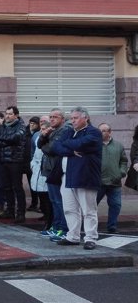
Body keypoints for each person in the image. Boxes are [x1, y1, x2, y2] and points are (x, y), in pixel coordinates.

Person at [52, 106, 102, 250]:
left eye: (75, 118)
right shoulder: (69, 131)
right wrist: (72, 151)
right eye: (71, 118)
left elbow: (80, 144)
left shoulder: (94, 132)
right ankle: (73, 236)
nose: (72, 121)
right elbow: (56, 146)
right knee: (69, 208)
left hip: (85, 175)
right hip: (68, 176)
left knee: (88, 210)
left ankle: (90, 238)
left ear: (85, 118)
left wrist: (67, 144)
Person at [38, 108, 70, 241]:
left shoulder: (63, 131)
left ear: (62, 119)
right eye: (50, 117)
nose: (51, 119)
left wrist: (45, 144)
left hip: (56, 170)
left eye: (55, 117)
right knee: (53, 201)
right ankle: (55, 226)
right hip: (49, 169)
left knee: (59, 201)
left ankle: (62, 228)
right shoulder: (51, 131)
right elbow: (40, 144)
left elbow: (51, 149)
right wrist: (44, 136)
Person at [0, 106, 27, 223]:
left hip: (15, 161)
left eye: (10, 114)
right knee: (6, 187)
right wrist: (7, 141)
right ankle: (10, 211)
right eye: (6, 114)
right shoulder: (2, 127)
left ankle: (21, 213)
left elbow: (16, 138)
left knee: (17, 187)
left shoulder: (21, 126)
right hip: (3, 160)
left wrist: (4, 140)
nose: (7, 116)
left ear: (16, 115)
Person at [96, 123, 127, 234]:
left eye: (104, 130)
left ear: (110, 132)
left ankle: (112, 226)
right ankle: (91, 226)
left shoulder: (118, 145)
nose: (102, 133)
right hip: (98, 182)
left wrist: (121, 172)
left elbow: (124, 161)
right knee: (92, 205)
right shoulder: (94, 145)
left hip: (115, 182)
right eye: (100, 131)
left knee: (116, 205)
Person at [30, 122, 52, 233]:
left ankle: (49, 222)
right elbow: (34, 155)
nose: (42, 131)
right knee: (42, 199)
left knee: (48, 201)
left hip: (46, 174)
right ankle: (46, 219)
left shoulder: (50, 140)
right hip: (37, 172)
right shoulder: (39, 139)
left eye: (45, 129)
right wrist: (33, 166)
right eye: (41, 129)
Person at [25, 116, 41, 212]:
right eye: (31, 123)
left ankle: (40, 205)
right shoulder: (26, 132)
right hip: (27, 162)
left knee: (38, 185)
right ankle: (34, 203)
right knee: (32, 184)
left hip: (36, 162)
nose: (32, 125)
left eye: (34, 123)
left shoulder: (39, 133)